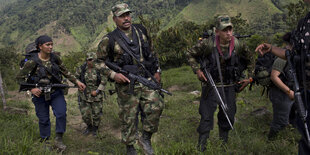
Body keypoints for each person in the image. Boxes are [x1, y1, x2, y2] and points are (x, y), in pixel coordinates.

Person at [97, 3, 163, 155]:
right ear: (115, 19)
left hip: (146, 78)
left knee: (156, 107)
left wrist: (157, 70)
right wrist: (114, 75)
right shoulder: (109, 39)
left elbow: (152, 52)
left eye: (127, 14)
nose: (126, 18)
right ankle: (130, 147)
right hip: (127, 84)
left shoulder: (141, 31)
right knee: (129, 118)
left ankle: (146, 138)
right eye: (121, 16)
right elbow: (97, 62)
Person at [186, 15, 254, 152]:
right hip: (211, 86)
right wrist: (197, 70)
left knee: (228, 116)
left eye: (230, 29)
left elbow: (251, 59)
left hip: (229, 86)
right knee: (206, 117)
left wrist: (250, 78)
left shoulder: (238, 44)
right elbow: (190, 54)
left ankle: (223, 147)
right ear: (217, 31)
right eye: (225, 30)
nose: (228, 33)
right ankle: (201, 148)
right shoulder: (207, 43)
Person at [256, 0, 310, 153]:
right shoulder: (304, 23)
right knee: (293, 126)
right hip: (294, 93)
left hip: (294, 92)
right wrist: (289, 92)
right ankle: (271, 142)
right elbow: (277, 73)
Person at [16, 35, 86, 151]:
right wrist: (31, 89)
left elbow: (66, 72)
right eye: (47, 45)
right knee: (43, 119)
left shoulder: (55, 58)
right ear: (40, 46)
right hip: (39, 95)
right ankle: (45, 140)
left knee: (61, 113)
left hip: (55, 92)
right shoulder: (32, 62)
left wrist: (77, 81)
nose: (50, 47)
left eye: (52, 44)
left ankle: (59, 138)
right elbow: (19, 78)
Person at [267, 32, 295, 140]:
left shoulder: (293, 55)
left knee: (295, 118)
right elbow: (274, 77)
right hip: (281, 93)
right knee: (280, 121)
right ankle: (271, 141)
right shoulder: (282, 58)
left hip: (291, 91)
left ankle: (289, 139)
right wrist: (288, 91)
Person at [75, 52, 107, 136]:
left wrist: (96, 91)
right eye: (89, 60)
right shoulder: (81, 68)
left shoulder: (100, 69)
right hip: (84, 94)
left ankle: (95, 129)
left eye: (92, 60)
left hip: (96, 95)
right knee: (85, 114)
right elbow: (75, 78)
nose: (90, 62)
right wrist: (78, 85)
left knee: (96, 113)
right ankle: (89, 127)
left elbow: (104, 82)